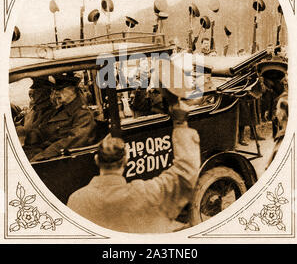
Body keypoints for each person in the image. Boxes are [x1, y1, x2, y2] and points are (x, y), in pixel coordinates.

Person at [67, 100, 200, 233]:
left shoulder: (76, 201)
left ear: (96, 160)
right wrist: (180, 123)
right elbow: (186, 172)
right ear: (126, 160)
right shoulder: (146, 193)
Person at [29, 73, 97, 161]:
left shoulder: (83, 114)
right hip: (42, 151)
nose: (56, 92)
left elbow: (72, 142)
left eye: (60, 89)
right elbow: (42, 128)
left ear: (73, 90)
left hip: (59, 160)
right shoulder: (60, 109)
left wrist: (40, 156)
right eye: (55, 89)